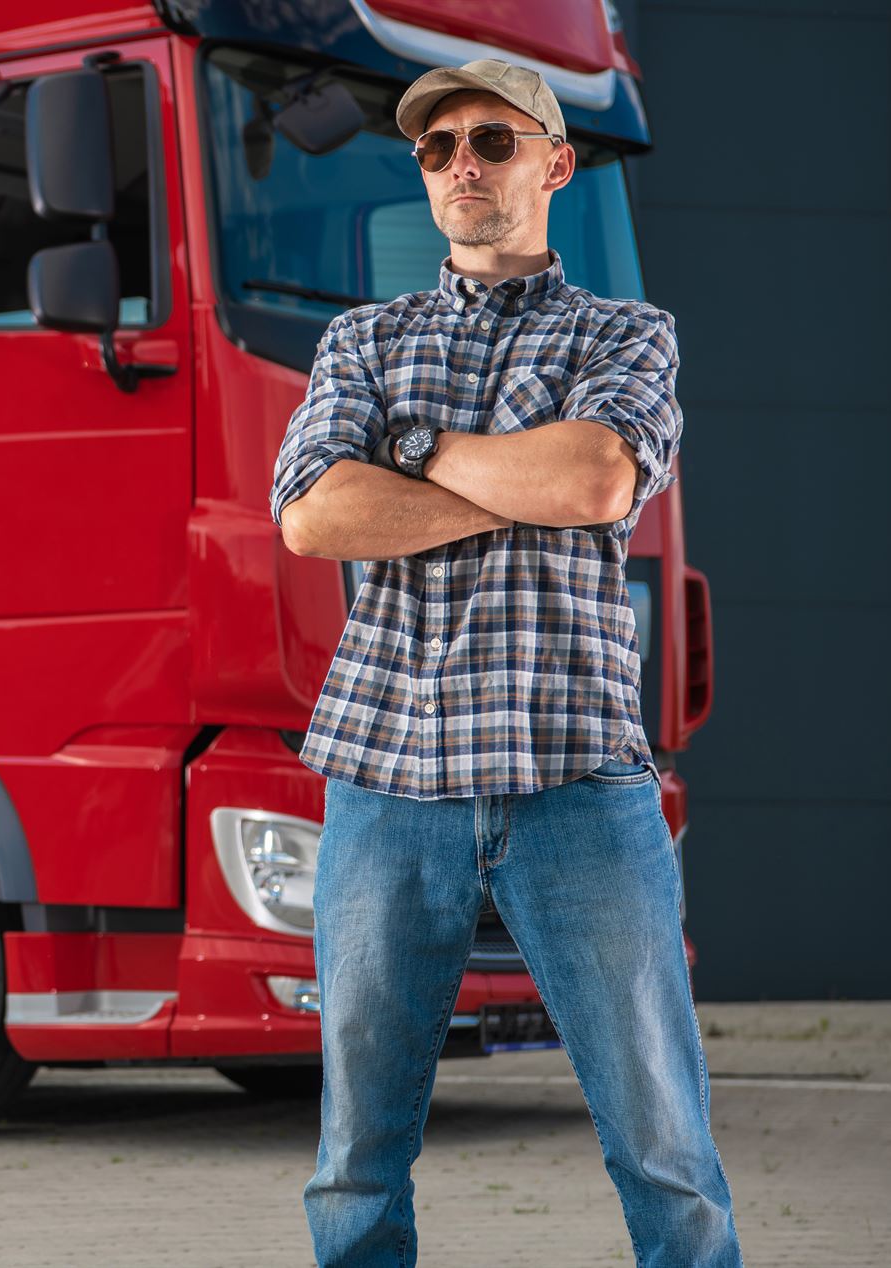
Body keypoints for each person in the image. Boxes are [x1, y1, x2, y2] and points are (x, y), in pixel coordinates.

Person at [268, 58, 747, 1266]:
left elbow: (593, 479)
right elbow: (316, 516)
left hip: (577, 776)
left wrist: (415, 449)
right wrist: (511, 480)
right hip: (386, 777)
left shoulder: (627, 333)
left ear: (555, 162)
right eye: (438, 149)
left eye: (491, 139)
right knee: (354, 1156)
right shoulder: (361, 339)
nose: (463, 165)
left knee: (667, 1149)